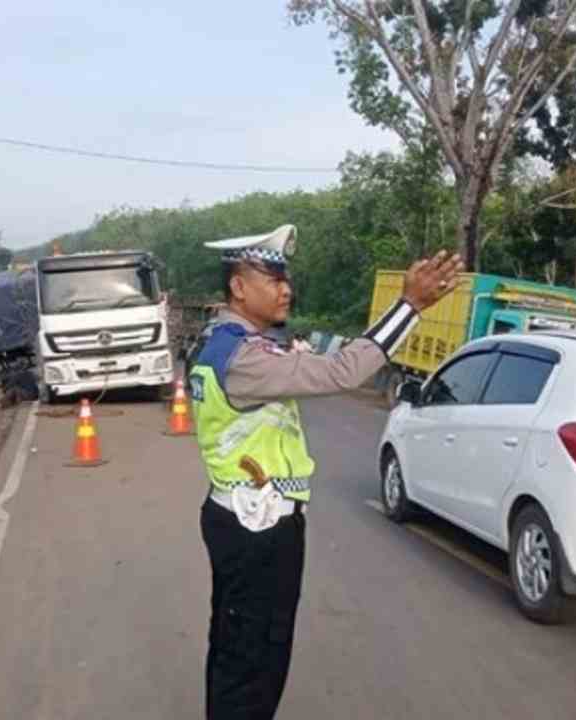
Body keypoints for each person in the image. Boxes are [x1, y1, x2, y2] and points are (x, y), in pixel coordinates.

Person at [189, 224, 462, 719]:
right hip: (259, 528)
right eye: (271, 277)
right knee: (254, 660)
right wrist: (410, 307)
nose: (285, 288)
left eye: (285, 277)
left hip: (247, 517)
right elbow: (343, 371)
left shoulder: (230, 342)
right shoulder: (244, 356)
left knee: (237, 647)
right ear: (238, 286)